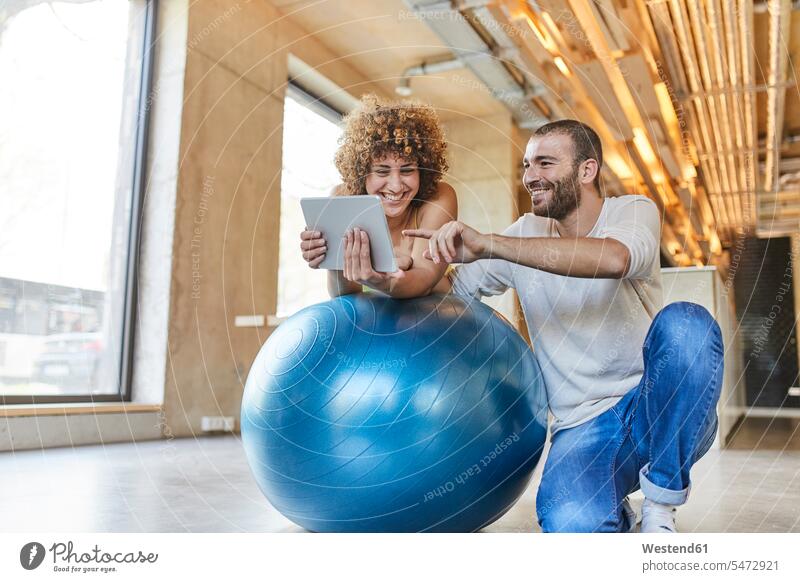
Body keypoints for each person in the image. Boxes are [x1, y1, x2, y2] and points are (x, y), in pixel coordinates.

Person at [405, 119, 724, 533]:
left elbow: (615, 260)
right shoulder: (524, 234)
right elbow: (449, 294)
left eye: (545, 163)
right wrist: (384, 261)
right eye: (526, 165)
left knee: (688, 326)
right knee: (573, 526)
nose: (530, 177)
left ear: (587, 170)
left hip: (655, 407)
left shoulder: (632, 211)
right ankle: (613, 507)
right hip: (582, 427)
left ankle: (660, 504)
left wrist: (490, 243)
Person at [299, 94, 457, 298]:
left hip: (435, 315)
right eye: (382, 171)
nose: (396, 185)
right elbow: (344, 296)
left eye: (407, 170)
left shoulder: (439, 197)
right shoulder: (341, 199)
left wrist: (383, 280)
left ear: (423, 170)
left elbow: (425, 280)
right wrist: (332, 259)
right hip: (374, 318)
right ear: (362, 172)